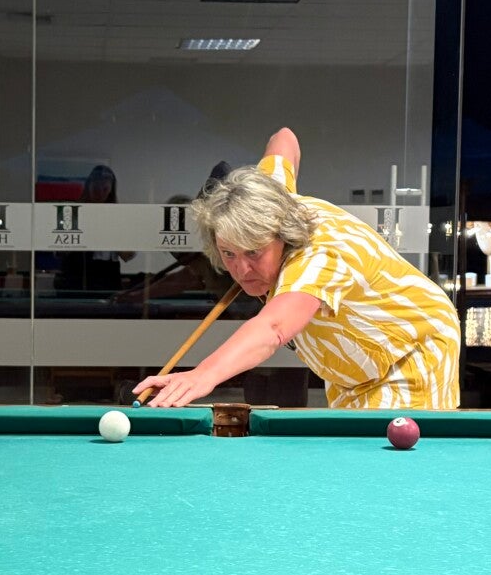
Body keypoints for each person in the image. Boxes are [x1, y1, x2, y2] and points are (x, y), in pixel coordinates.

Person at [134, 129, 461, 410]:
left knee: (380, 452)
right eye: (229, 253)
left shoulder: (318, 254)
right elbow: (284, 138)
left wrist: (202, 375)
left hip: (410, 350)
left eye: (254, 251)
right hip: (355, 365)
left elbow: (273, 328)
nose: (242, 269)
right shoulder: (272, 195)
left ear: (282, 234)